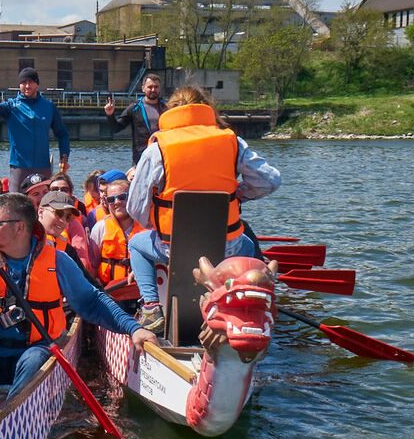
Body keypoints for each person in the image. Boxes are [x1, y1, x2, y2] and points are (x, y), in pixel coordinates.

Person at [0, 193, 157, 399]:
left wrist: (133, 328)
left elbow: (91, 302)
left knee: (34, 360)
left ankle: (10, 413)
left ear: (20, 227)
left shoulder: (58, 260)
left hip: (32, 350)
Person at [125, 86, 281, 332]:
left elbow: (134, 207)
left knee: (136, 244)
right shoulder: (232, 140)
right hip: (227, 245)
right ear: (206, 109)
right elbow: (271, 181)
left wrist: (153, 224)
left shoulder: (158, 148)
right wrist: (238, 195)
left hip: (171, 247)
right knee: (249, 245)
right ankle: (249, 302)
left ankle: (151, 307)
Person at [0, 67, 70, 190]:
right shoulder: (11, 107)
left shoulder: (49, 107)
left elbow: (62, 134)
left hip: (43, 167)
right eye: (24, 82)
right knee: (16, 205)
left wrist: (64, 156)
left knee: (43, 205)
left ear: (37, 84)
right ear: (19, 85)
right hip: (19, 167)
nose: (27, 86)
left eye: (31, 82)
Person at [88, 178, 145, 286]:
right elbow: (93, 265)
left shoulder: (147, 227)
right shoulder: (100, 228)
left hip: (140, 291)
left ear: (132, 197)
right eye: (111, 199)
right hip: (110, 292)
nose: (117, 202)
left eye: (122, 197)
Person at [104, 73, 165, 164]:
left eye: (156, 87)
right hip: (141, 158)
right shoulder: (134, 108)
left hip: (162, 156)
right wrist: (110, 115)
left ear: (160, 88)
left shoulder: (166, 108)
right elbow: (116, 128)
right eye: (150, 87)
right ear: (143, 88)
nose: (153, 90)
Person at [37, 190, 97, 280]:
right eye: (58, 213)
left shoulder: (68, 251)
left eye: (68, 217)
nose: (63, 221)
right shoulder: (23, 242)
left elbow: (85, 281)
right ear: (40, 212)